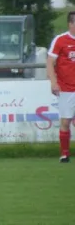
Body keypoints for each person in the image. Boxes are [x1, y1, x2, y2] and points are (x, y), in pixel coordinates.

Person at [47, 11, 75, 163]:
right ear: (70, 24)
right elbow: (50, 62)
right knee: (65, 121)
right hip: (66, 88)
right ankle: (64, 154)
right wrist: (53, 82)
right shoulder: (60, 40)